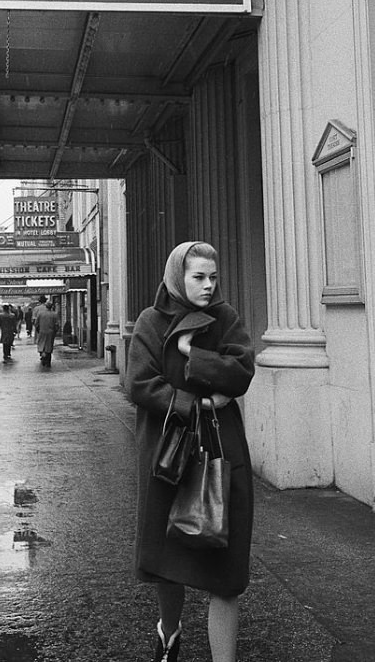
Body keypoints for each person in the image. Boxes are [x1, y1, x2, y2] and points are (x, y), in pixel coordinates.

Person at [125, 241, 255, 662]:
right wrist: (193, 404)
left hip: (221, 448)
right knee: (168, 556)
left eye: (212, 277)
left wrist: (191, 354)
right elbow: (140, 384)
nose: (207, 285)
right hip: (168, 452)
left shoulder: (225, 318)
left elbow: (241, 372)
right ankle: (169, 630)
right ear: (178, 275)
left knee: (226, 567)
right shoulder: (150, 321)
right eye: (198, 276)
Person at [35, 301, 59, 368]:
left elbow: (36, 323)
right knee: (49, 346)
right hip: (50, 332)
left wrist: (38, 330)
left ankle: (43, 356)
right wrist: (55, 331)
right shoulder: (54, 314)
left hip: (42, 331)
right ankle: (48, 361)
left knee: (42, 344)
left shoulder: (40, 314)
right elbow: (57, 325)